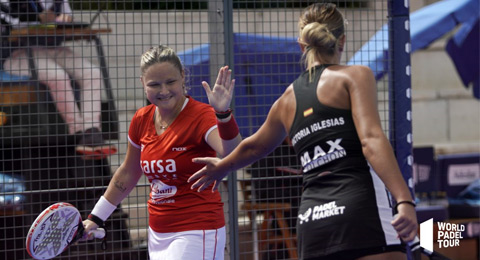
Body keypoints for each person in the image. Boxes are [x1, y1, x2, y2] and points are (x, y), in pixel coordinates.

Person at [188, 3, 418, 260]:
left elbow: (254, 147)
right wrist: (404, 200)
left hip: (313, 223)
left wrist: (222, 166)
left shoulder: (285, 101)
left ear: (301, 44)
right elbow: (372, 140)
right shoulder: (354, 76)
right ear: (341, 40)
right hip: (360, 212)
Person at [81, 45, 242, 260]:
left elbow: (233, 152)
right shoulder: (141, 119)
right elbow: (128, 172)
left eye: (170, 82)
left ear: (183, 76)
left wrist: (223, 114)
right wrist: (96, 217)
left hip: (196, 230)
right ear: (142, 84)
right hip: (158, 234)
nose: (164, 91)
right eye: (154, 84)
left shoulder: (201, 116)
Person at [0, 0, 116, 159]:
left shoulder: (60, 2)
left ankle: (92, 131)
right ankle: (78, 132)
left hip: (55, 49)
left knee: (92, 73)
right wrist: (39, 19)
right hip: (18, 53)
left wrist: (66, 22)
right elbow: (8, 27)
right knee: (58, 75)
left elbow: (66, 20)